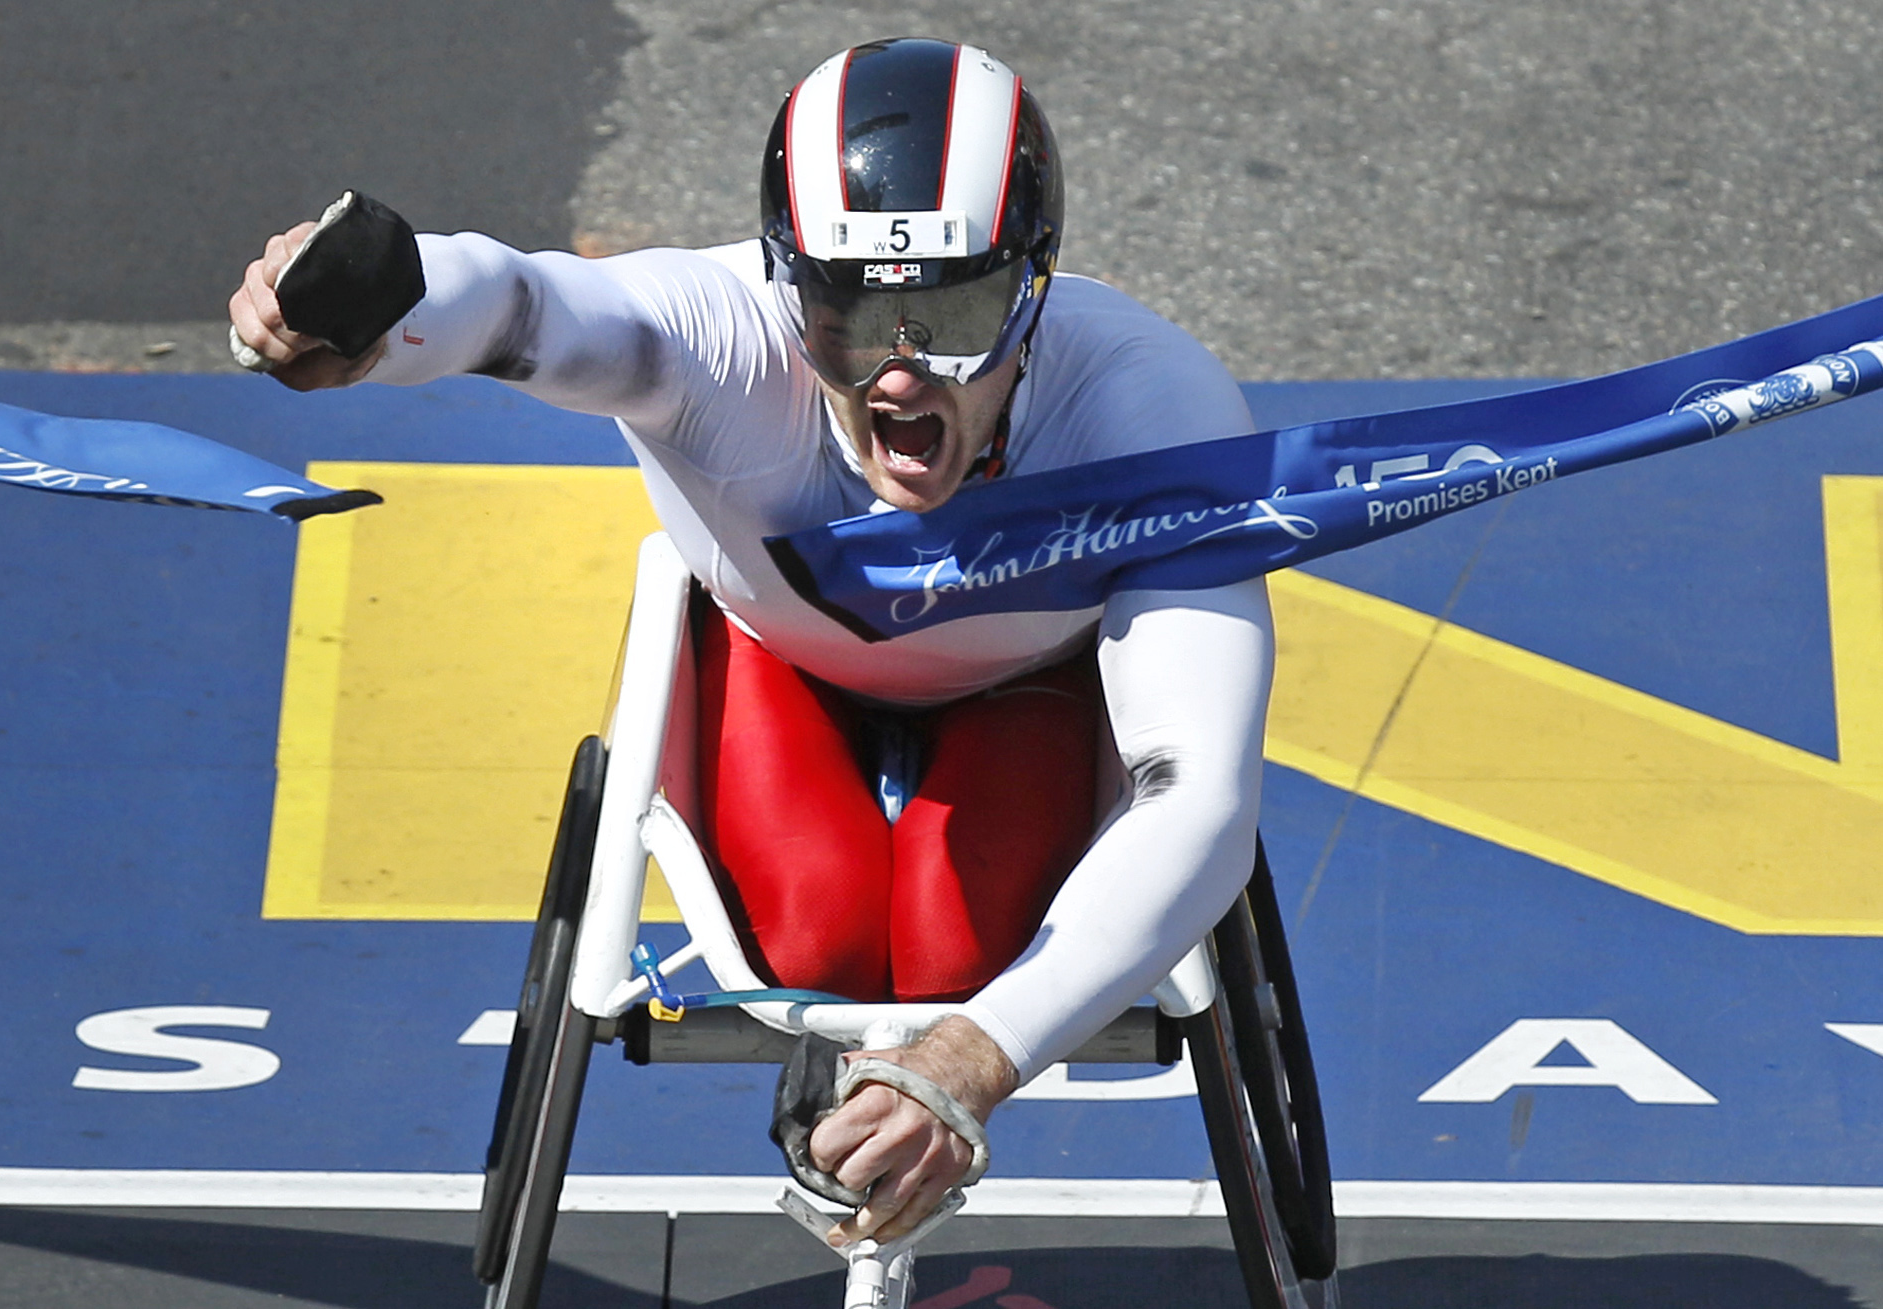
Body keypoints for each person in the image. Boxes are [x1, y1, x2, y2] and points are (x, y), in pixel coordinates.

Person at [230, 37, 1274, 1248]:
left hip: (1023, 681)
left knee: (953, 952)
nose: (897, 374)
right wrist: (370, 300)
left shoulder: (1154, 411)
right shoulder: (714, 336)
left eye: (949, 314)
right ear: (786, 291)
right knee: (814, 941)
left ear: (1034, 289)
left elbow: (1199, 791)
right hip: (775, 655)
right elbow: (518, 300)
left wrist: (975, 1052)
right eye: (851, 315)